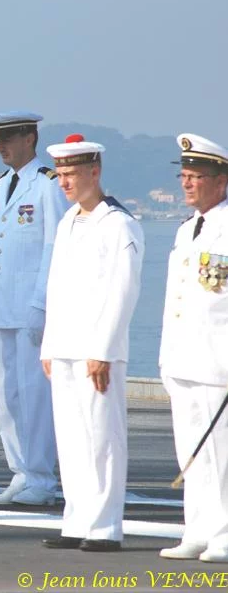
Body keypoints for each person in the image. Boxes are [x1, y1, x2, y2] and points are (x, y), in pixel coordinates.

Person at [39, 134, 144, 553]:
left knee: (101, 438)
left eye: (71, 174)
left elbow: (122, 292)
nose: (64, 183)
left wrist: (102, 349)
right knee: (71, 439)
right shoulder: (69, 222)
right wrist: (49, 345)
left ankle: (103, 527)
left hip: (95, 351)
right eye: (60, 175)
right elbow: (56, 288)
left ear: (94, 173)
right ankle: (78, 519)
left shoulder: (117, 223)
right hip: (65, 347)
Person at [0, 112, 68, 507]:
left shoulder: (47, 184)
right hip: (3, 306)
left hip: (31, 307)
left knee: (34, 394)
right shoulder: (2, 184)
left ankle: (40, 475)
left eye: (10, 138)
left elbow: (55, 246)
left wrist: (41, 303)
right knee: (9, 395)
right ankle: (20, 470)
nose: (2, 146)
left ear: (30, 138)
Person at [158, 133, 228, 563]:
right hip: (184, 357)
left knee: (220, 455)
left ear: (221, 181)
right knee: (192, 453)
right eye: (183, 176)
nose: (186, 184)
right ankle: (198, 529)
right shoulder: (187, 230)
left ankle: (224, 533)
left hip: (218, 359)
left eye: (195, 176)